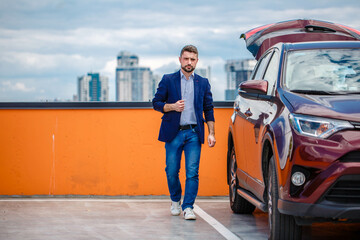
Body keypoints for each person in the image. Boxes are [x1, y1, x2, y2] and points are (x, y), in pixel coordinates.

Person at [152, 45, 216, 220]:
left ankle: (188, 207)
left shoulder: (203, 82)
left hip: (194, 133)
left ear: (197, 61)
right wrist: (172, 106)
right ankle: (175, 200)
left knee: (192, 172)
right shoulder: (168, 79)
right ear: (180, 59)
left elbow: (208, 109)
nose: (189, 62)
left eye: (192, 59)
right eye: (186, 59)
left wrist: (211, 133)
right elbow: (156, 103)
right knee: (171, 171)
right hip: (173, 134)